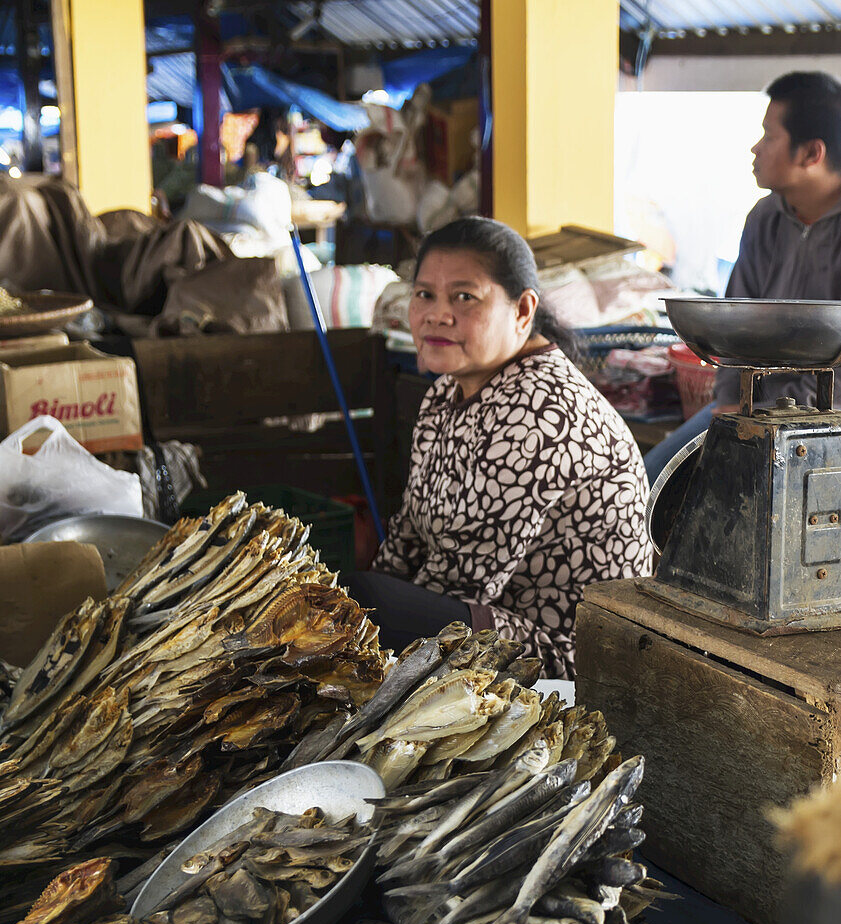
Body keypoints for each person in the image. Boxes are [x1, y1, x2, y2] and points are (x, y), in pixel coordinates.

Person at [345, 217, 652, 678]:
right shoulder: (447, 392)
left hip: (571, 656)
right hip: (488, 617)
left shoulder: (543, 415)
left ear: (523, 310)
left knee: (366, 608)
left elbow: (462, 578)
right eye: (424, 294)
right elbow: (408, 536)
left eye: (464, 297)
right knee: (357, 601)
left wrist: (366, 618)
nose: (436, 314)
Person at [645, 70, 841, 485]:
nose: (756, 148)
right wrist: (730, 401)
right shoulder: (764, 218)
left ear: (812, 154)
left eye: (769, 136)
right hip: (753, 406)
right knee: (650, 482)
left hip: (830, 422)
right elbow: (736, 329)